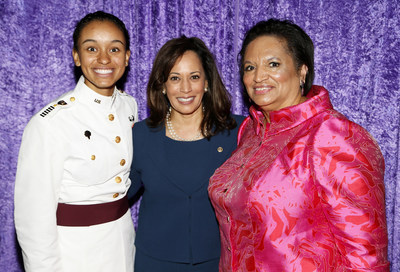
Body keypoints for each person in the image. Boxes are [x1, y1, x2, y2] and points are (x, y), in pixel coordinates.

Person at [208, 19, 390, 271]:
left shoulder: (333, 135)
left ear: (302, 70)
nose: (258, 76)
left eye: (273, 64)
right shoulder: (250, 130)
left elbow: (365, 257)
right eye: (249, 67)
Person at [14, 11, 137, 272]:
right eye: (91, 48)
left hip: (124, 247)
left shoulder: (129, 106)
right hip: (74, 255)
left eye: (114, 49)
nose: (104, 58)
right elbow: (33, 219)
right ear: (76, 56)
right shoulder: (50, 122)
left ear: (126, 57)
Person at [128, 36, 244, 271]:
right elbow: (113, 196)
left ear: (207, 82)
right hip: (154, 263)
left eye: (194, 77)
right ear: (162, 85)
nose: (185, 88)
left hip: (219, 263)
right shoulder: (140, 135)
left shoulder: (239, 133)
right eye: (174, 78)